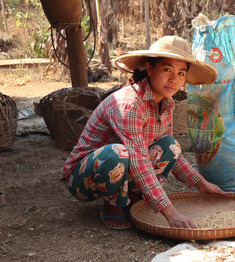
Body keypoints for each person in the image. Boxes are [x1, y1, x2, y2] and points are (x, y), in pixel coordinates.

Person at [62, 35, 225, 230]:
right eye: (167, 70)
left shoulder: (166, 103)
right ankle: (114, 205)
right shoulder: (129, 104)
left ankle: (133, 196)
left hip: (125, 166)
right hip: (83, 180)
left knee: (170, 145)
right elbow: (138, 160)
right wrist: (171, 214)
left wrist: (201, 183)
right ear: (149, 68)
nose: (174, 79)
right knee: (118, 153)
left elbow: (172, 153)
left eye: (181, 73)